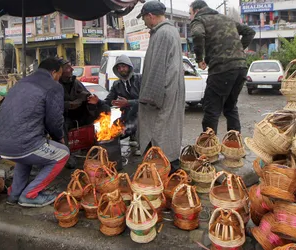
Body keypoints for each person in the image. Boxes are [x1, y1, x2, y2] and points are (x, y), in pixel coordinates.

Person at [0, 57, 69, 207]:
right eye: (59, 74)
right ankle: (29, 195)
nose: (59, 78)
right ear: (54, 72)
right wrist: (60, 137)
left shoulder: (21, 82)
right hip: (20, 143)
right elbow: (55, 119)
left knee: (26, 155)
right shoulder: (53, 86)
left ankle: (14, 194)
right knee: (62, 154)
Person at [189, 0, 255, 134]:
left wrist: (199, 58)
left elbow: (197, 34)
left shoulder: (199, 20)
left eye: (190, 13)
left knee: (211, 109)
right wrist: (238, 51)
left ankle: (208, 147)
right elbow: (249, 32)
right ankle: (235, 145)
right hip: (241, 67)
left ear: (196, 11)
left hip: (222, 69)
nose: (190, 17)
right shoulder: (226, 19)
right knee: (230, 107)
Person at [137, 1, 185, 174]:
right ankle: (168, 169)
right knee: (167, 130)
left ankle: (166, 173)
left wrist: (149, 99)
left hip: (162, 95)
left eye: (144, 18)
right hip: (170, 91)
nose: (144, 22)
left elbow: (157, 69)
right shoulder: (169, 30)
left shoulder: (162, 33)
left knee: (159, 132)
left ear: (150, 15)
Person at [59, 60, 110, 168]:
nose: (72, 69)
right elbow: (56, 105)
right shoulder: (55, 85)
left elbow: (86, 95)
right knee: (61, 123)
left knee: (104, 108)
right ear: (60, 71)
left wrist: (92, 100)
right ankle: (67, 155)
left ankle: (99, 144)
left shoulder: (75, 82)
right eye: (68, 68)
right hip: (65, 117)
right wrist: (74, 103)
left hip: (81, 115)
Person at [104, 54, 142, 155]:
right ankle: (131, 137)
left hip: (142, 115)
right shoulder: (117, 84)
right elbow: (108, 101)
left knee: (139, 120)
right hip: (126, 116)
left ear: (129, 66)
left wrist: (127, 103)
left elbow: (145, 101)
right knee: (113, 130)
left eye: (124, 66)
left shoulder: (139, 79)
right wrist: (97, 102)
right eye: (119, 67)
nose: (121, 69)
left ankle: (142, 144)